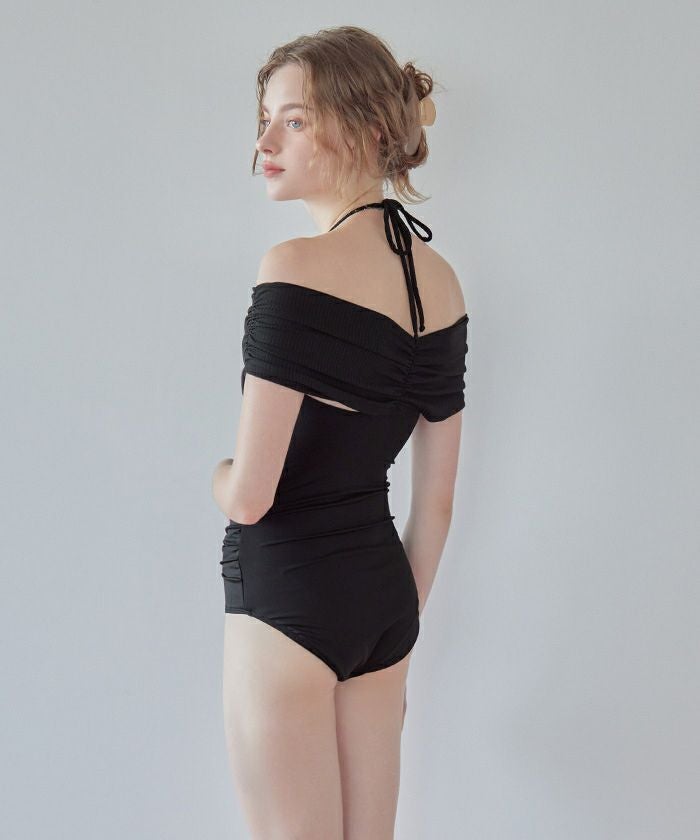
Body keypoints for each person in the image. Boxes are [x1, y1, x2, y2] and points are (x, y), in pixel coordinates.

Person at [211, 25, 469, 840]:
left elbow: (250, 497)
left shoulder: (293, 267)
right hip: (383, 602)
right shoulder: (441, 284)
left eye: (292, 121)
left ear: (364, 127)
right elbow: (437, 505)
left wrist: (215, 473)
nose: (264, 144)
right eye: (264, 121)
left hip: (287, 597)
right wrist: (395, 625)